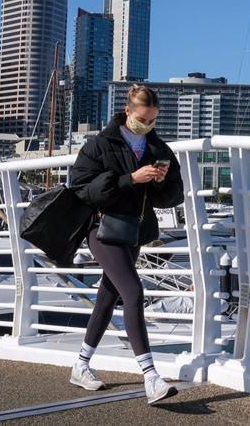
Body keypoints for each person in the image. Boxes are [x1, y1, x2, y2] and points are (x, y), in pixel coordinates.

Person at [69, 85, 184, 404]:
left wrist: (160, 183)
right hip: (101, 227)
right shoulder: (100, 144)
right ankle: (151, 377)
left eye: (153, 120)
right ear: (128, 110)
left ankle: (80, 365)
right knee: (133, 292)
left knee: (109, 295)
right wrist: (130, 179)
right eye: (143, 118)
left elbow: (176, 194)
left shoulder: (159, 147)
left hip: (134, 229)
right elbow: (80, 188)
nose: (147, 124)